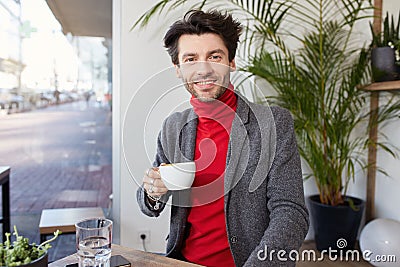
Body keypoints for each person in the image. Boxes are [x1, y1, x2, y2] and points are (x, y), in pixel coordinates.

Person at [137, 10, 309, 267]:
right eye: (191, 59)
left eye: (214, 56)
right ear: (178, 69)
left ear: (231, 62)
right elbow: (149, 203)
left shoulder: (273, 123)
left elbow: (291, 213)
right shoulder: (173, 127)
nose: (203, 69)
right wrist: (152, 191)